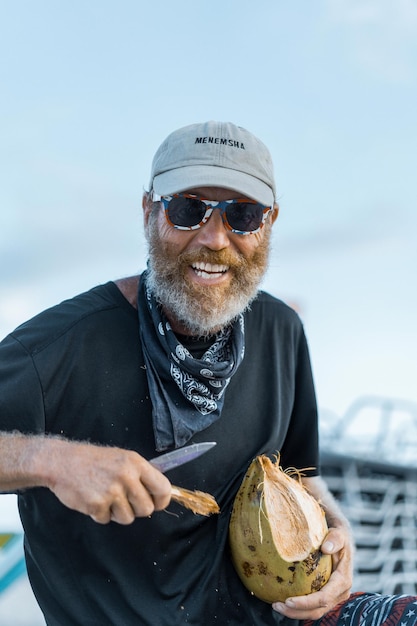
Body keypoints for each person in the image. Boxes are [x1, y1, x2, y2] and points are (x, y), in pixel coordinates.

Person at [0, 120, 354, 625]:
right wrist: (52, 459)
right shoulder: (61, 347)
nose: (214, 238)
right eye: (187, 209)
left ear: (269, 223)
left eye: (243, 215)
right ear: (149, 211)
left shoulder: (281, 331)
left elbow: (304, 478)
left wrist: (341, 543)